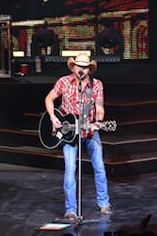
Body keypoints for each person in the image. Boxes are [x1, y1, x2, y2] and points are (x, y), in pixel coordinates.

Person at [44, 53, 111, 222]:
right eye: (79, 66)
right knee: (70, 170)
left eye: (85, 67)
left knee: (99, 167)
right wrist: (53, 117)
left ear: (89, 69)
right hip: (69, 135)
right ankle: (71, 210)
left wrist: (98, 121)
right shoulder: (64, 82)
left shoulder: (96, 85)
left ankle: (104, 203)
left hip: (89, 132)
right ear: (73, 67)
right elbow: (49, 98)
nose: (81, 70)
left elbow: (100, 107)